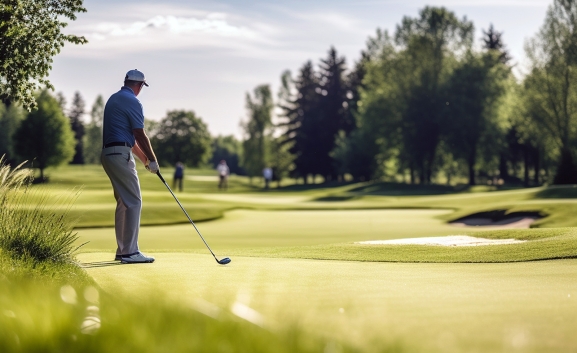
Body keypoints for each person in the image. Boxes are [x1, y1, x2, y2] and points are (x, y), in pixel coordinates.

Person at [101, 69, 159, 264]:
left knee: (124, 202)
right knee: (134, 201)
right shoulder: (133, 101)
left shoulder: (114, 98)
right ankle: (130, 252)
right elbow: (140, 134)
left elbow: (131, 139)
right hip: (120, 154)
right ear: (140, 85)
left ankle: (123, 250)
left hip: (109, 154)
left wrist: (144, 160)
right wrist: (153, 159)